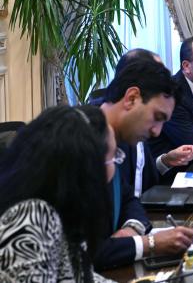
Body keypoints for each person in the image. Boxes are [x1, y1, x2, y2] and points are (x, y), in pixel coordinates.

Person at [96, 59, 193, 270]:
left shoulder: (117, 137)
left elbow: (129, 198)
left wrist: (132, 228)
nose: (156, 132)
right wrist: (149, 243)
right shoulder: (77, 138)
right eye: (157, 117)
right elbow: (81, 251)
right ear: (132, 98)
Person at [0, 105, 114, 282]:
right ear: (88, 166)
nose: (114, 167)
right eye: (113, 157)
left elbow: (83, 277)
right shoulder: (33, 218)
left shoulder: (64, 217)